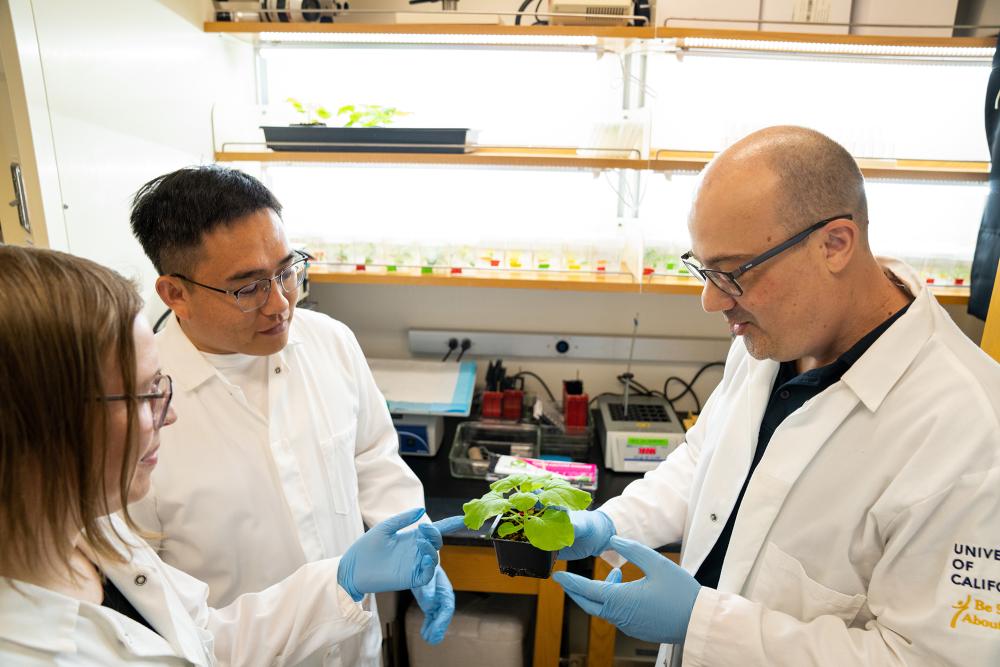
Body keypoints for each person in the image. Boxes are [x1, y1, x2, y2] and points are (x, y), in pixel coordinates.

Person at [550, 126, 1000, 665]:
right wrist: (611, 524)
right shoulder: (771, 337)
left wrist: (703, 623)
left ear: (835, 244)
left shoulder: (971, 431)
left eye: (735, 273)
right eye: (704, 268)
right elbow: (706, 461)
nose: (712, 300)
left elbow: (927, 659)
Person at [0, 245, 461, 665]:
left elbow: (201, 639)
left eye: (286, 273)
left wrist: (343, 580)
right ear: (36, 420)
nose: (169, 415)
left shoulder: (96, 544)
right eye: (143, 395)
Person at [127, 165, 454, 665]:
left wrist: (417, 549)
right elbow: (153, 595)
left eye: (286, 270)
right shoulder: (140, 413)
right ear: (175, 294)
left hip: (353, 650)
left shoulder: (330, 341)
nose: (280, 303)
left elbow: (372, 458)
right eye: (247, 288)